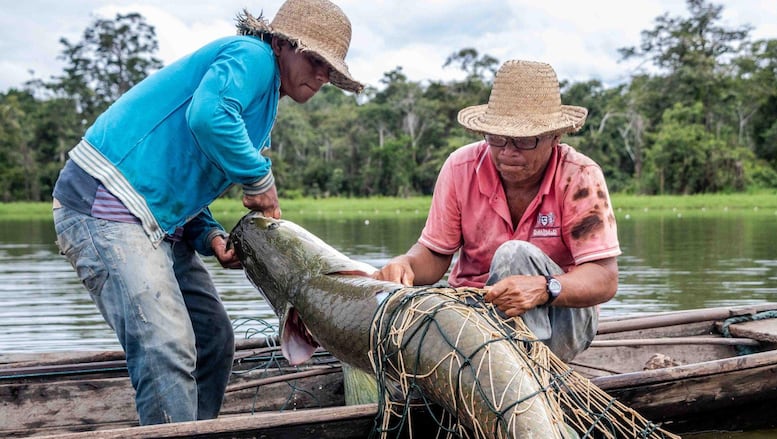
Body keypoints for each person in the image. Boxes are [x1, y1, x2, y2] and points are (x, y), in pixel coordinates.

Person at [51, 0, 363, 425]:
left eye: (330, 69)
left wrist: (211, 237)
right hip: (105, 205)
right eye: (314, 60)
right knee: (167, 345)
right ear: (280, 44)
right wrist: (261, 181)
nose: (322, 76)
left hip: (157, 224)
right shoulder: (251, 56)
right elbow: (208, 117)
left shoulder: (262, 102)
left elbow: (188, 179)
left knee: (213, 339)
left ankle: (195, 429)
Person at [373, 60, 620, 362]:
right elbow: (436, 255)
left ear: (555, 137)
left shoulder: (579, 175)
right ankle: (493, 362)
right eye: (497, 138)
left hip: (562, 320)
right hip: (476, 318)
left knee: (514, 254)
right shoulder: (460, 168)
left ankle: (524, 369)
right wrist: (407, 264)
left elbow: (604, 278)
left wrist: (545, 288)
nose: (508, 151)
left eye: (525, 140)